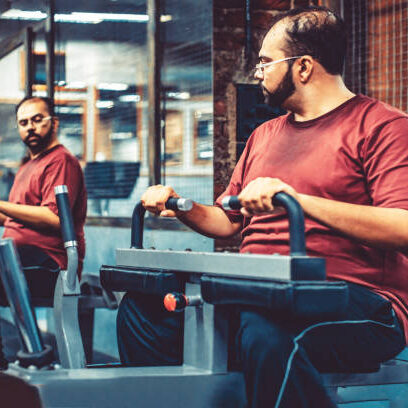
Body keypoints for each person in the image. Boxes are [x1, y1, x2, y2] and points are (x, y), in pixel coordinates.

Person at [116, 6, 408, 407]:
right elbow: (228, 221)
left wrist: (297, 201)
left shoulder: (383, 126)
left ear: (303, 67)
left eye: (266, 63)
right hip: (260, 293)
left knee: (268, 330)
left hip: (360, 301)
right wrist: (181, 207)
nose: (258, 72)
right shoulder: (264, 135)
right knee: (144, 311)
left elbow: (402, 227)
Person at [0, 96, 87, 367]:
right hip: (18, 257)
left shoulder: (61, 161)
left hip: (49, 264)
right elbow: (12, 216)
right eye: (24, 122)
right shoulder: (28, 165)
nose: (31, 127)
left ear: (54, 122)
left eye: (38, 119)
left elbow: (53, 218)